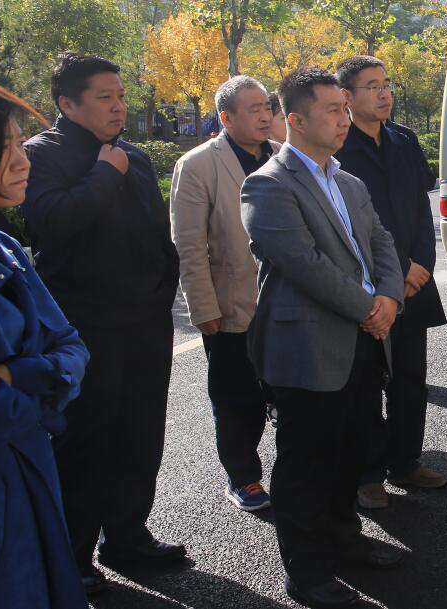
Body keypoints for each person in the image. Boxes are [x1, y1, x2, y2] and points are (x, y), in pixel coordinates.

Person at [241, 67, 406, 609]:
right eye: (333, 110)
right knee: (306, 464)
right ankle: (307, 571)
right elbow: (304, 265)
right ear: (295, 118)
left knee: (349, 453)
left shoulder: (348, 181)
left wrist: (390, 298)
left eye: (344, 108)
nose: (344, 118)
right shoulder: (268, 184)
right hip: (310, 347)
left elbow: (381, 243)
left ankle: (344, 540)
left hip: (364, 340)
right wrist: (369, 309)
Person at [22, 52, 184, 592]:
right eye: (105, 98)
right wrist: (102, 173)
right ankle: (71, 556)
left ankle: (127, 537)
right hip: (86, 325)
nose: (118, 107)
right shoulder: (42, 154)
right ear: (67, 104)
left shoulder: (131, 155)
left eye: (121, 96)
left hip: (145, 321)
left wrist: (163, 290)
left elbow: (158, 235)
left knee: (141, 433)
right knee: (86, 440)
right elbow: (52, 221)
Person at [0, 75, 90, 609]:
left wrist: (18, 373)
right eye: (4, 148)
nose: (23, 161)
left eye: (21, 144)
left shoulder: (2, 244)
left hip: (28, 470)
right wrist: (46, 377)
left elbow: (72, 344)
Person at [334, 55, 447, 511]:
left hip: (414, 281)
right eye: (372, 86)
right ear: (346, 96)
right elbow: (347, 225)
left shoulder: (403, 139)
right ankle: (368, 473)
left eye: (386, 84)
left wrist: (422, 263)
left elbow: (421, 207)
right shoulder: (337, 147)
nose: (384, 94)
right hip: (366, 285)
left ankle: (406, 461)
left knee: (410, 378)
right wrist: (395, 272)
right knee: (365, 383)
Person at [171, 76, 279, 512]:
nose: (264, 115)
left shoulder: (282, 156)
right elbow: (189, 244)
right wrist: (203, 308)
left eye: (266, 106)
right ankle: (243, 477)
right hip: (233, 304)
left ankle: (295, 474)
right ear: (226, 117)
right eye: (253, 109)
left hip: (288, 303)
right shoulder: (198, 165)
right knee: (238, 399)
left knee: (290, 392)